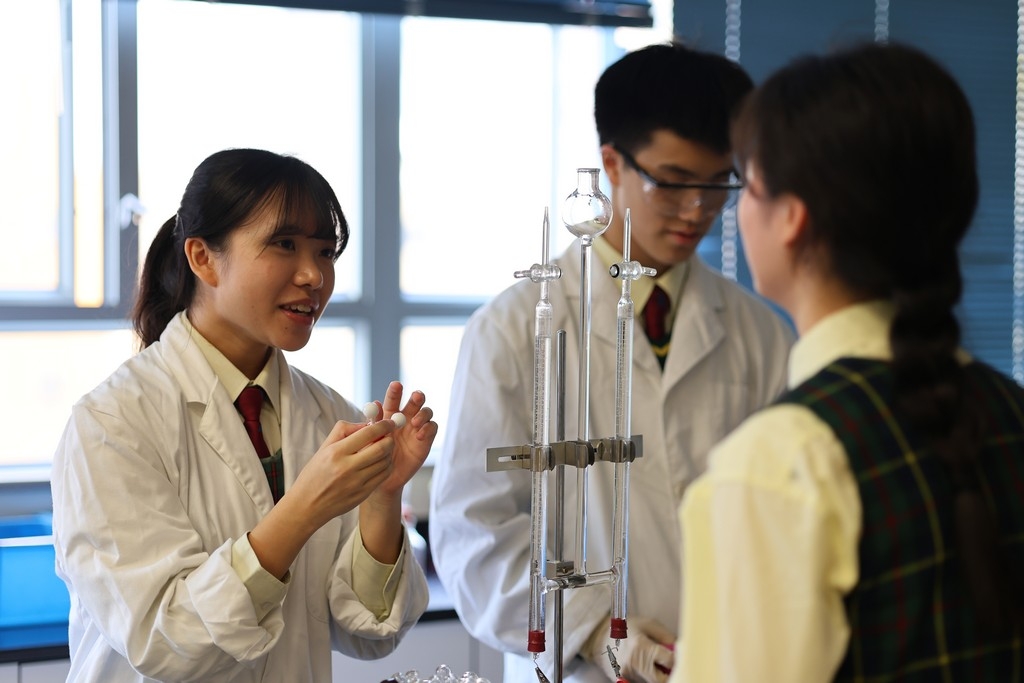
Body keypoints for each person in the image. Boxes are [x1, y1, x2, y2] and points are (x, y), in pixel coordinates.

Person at [430, 41, 795, 683]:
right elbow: (475, 534)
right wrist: (595, 631)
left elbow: (785, 517)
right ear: (611, 164)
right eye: (673, 182)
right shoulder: (514, 329)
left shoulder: (760, 333)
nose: (698, 210)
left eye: (719, 183)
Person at [672, 41, 1024, 682]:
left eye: (746, 185)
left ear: (791, 219)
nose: (731, 211)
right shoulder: (1011, 410)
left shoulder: (781, 463)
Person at [51, 148, 438, 682]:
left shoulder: (329, 414)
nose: (314, 275)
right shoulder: (111, 424)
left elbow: (368, 631)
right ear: (203, 258)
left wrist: (381, 498)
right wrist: (301, 509)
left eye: (325, 251)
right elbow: (165, 640)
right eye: (285, 244)